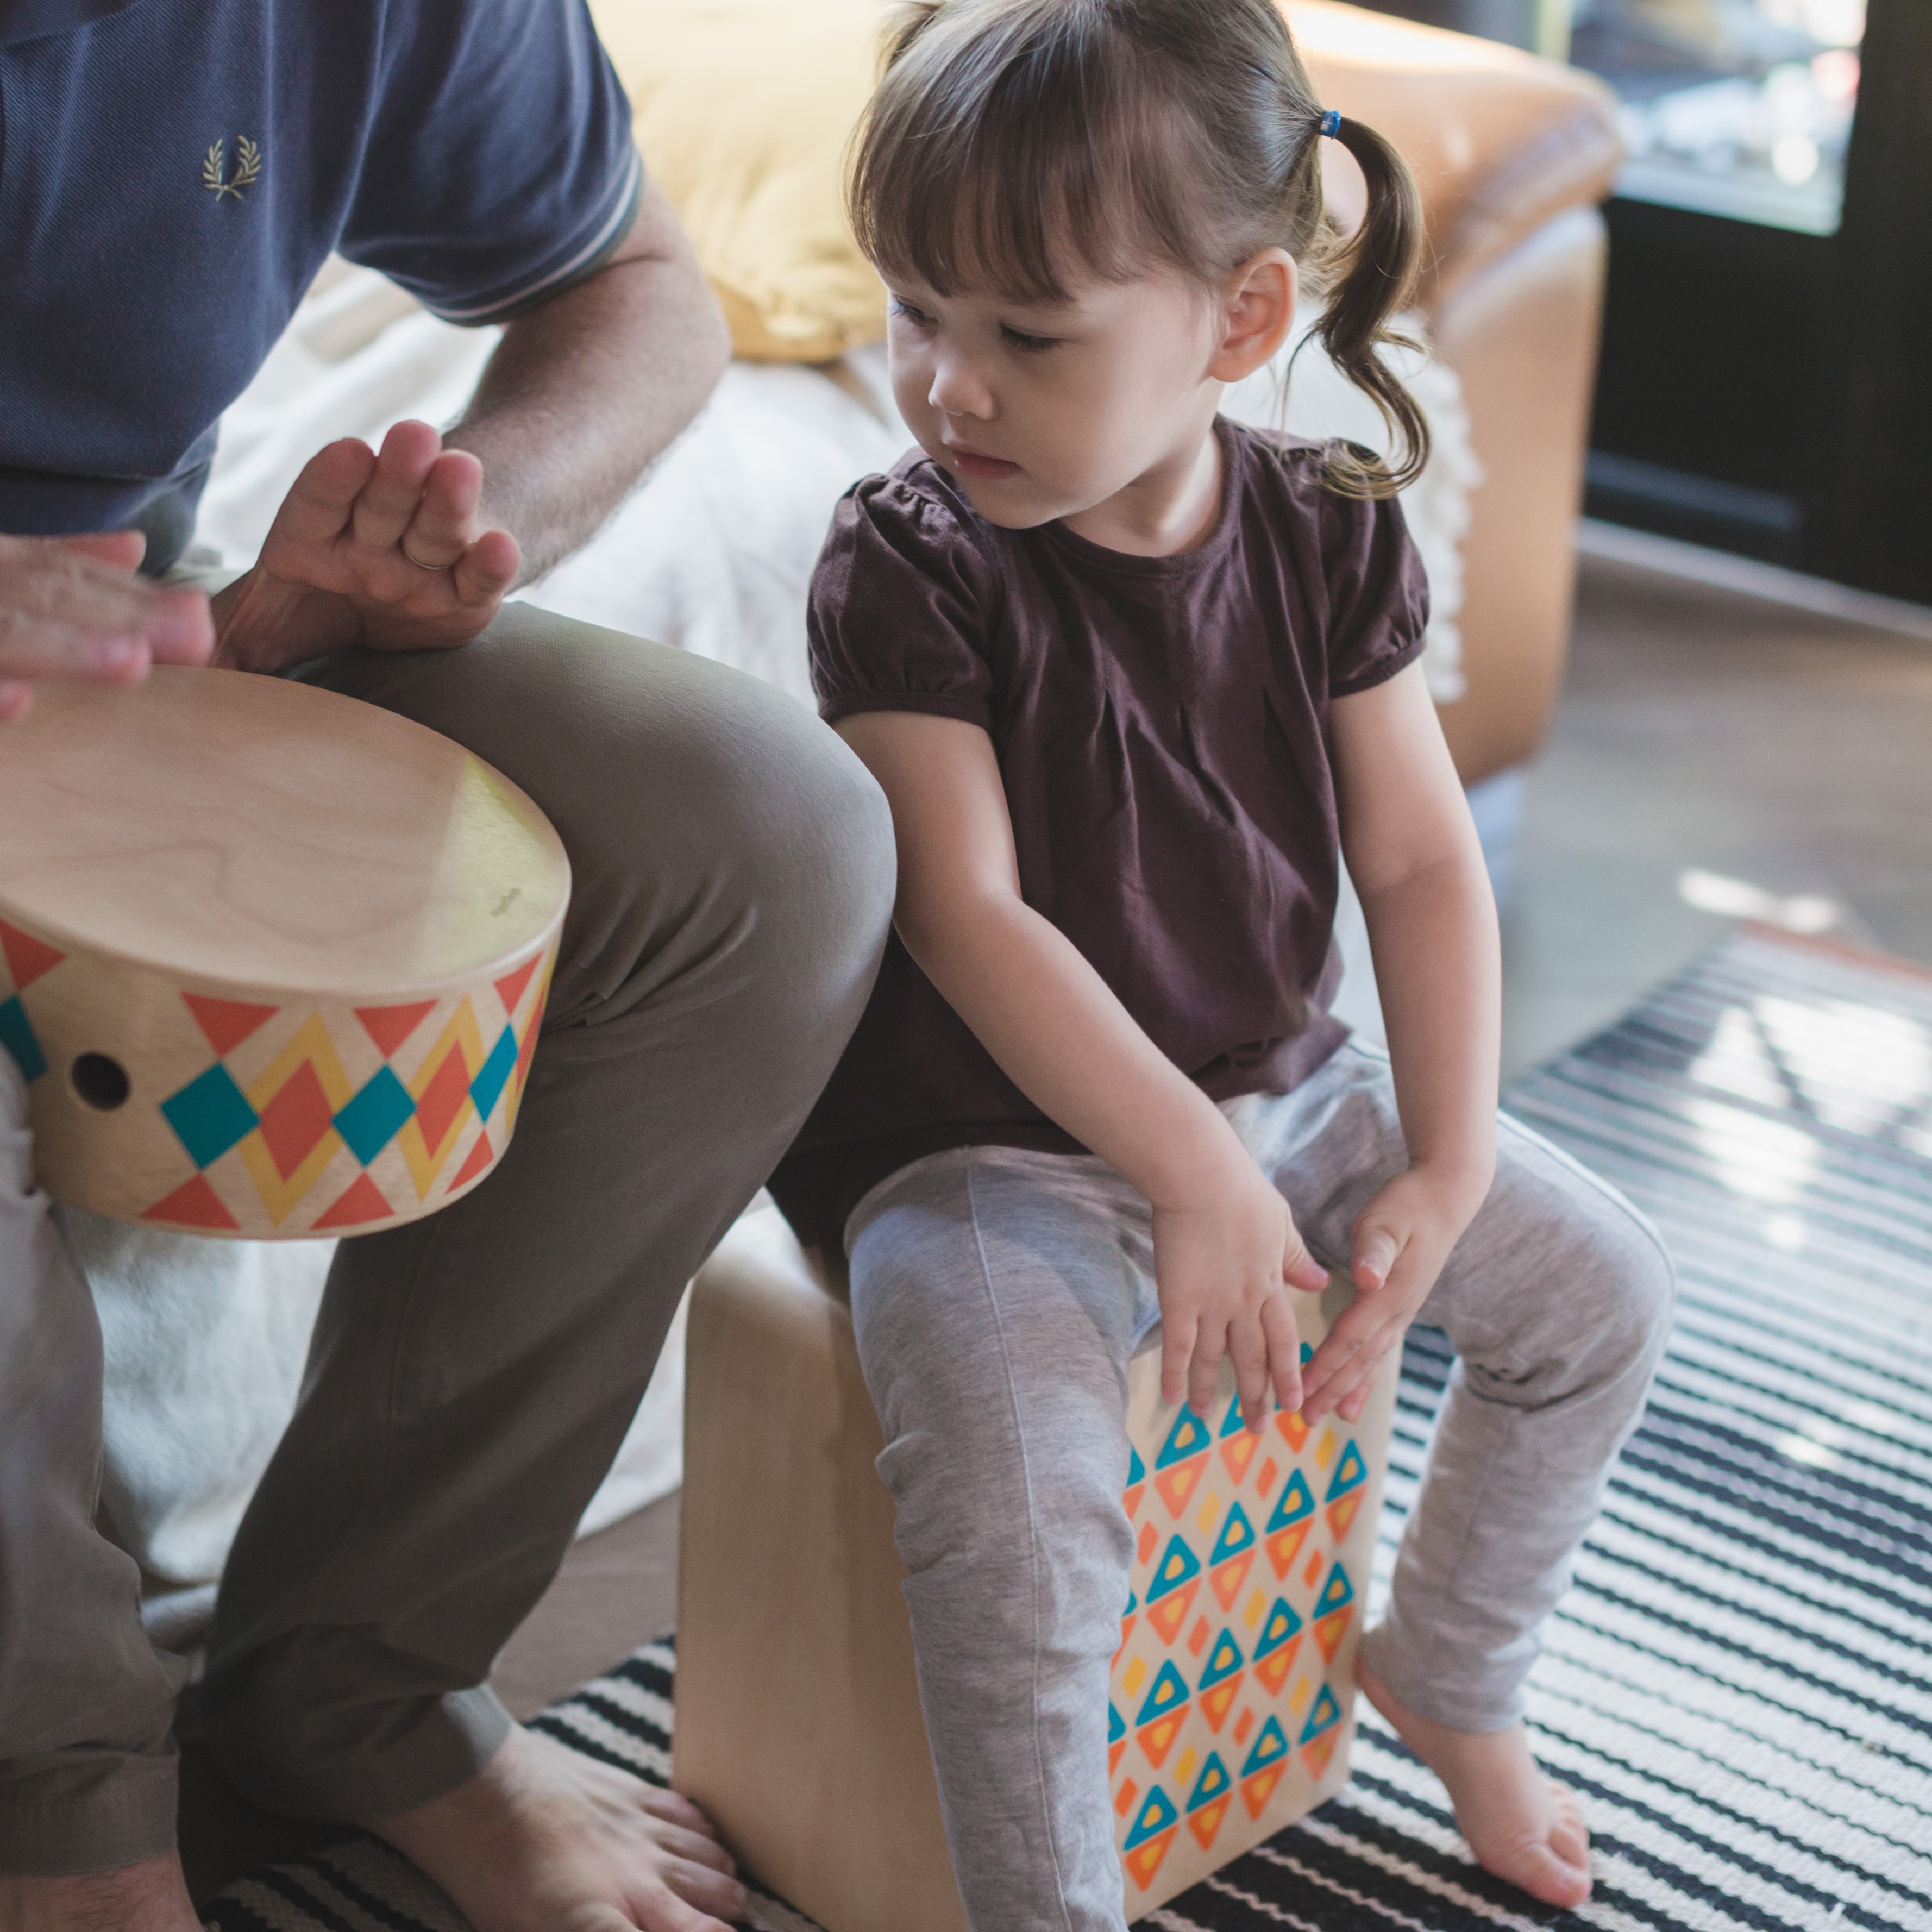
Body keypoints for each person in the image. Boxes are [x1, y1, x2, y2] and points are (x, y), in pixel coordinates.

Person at [766, 0, 1678, 1925]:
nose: (947, 387)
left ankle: (1444, 1676)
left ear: (1241, 324)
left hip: (1285, 1091)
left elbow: (1420, 858)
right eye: (919, 313)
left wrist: (1441, 1155)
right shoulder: (907, 558)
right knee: (1020, 1525)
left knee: (1594, 1295)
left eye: (1026, 333)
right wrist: (1185, 1167)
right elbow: (967, 912)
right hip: (974, 1151)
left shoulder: (1326, 531)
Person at [0, 3, 894, 1930]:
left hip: (132, 651)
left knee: (759, 843)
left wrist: (457, 520)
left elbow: (638, 281)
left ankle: (359, 1684)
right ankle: (56, 1812)